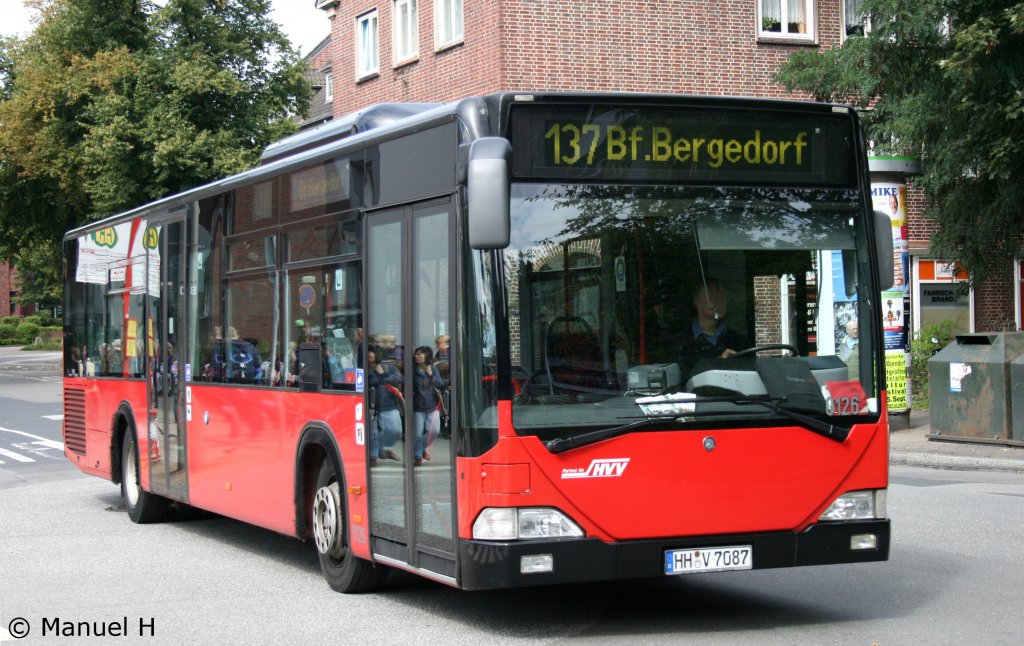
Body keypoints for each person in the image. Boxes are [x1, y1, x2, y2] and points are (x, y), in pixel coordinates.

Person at [678, 277, 750, 379]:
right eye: (711, 298)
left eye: (722, 297)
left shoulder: (738, 341)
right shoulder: (681, 341)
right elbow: (680, 377)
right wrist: (717, 363)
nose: (718, 302)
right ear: (696, 301)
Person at [411, 345, 448, 466]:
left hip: (433, 405)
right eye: (416, 354)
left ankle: (421, 449)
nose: (417, 356)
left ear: (427, 356)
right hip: (417, 406)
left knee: (435, 430)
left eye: (419, 354)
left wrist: (431, 375)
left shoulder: (433, 369)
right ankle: (417, 456)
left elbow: (440, 383)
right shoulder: (412, 370)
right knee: (418, 433)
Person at [367, 345, 403, 466]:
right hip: (370, 405)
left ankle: (380, 449)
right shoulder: (363, 369)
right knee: (373, 432)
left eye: (372, 351)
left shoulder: (389, 367)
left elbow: (397, 380)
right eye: (368, 351)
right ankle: (373, 456)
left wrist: (382, 374)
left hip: (389, 403)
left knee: (396, 431)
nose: (370, 354)